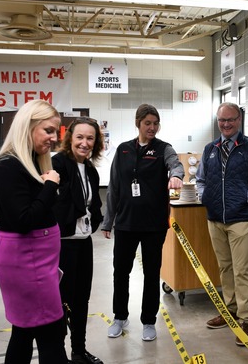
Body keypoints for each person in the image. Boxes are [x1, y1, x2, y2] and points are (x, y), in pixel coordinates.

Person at [0, 99, 69, 364]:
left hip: (37, 260)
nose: (52, 139)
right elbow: (24, 219)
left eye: (55, 132)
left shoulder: (32, 162)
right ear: (28, 126)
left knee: (24, 331)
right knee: (51, 331)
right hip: (27, 262)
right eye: (47, 130)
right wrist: (49, 186)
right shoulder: (8, 166)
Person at [101, 104, 184, 342]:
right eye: (147, 123)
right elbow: (114, 188)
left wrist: (176, 175)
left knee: (151, 273)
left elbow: (175, 164)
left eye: (156, 123)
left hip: (153, 225)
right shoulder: (124, 150)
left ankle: (149, 321)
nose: (152, 127)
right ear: (138, 123)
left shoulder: (163, 149)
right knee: (121, 273)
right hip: (126, 223)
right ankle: (120, 317)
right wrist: (108, 222)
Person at [195, 102, 248, 346]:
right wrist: (203, 195)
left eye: (230, 120)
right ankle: (229, 312)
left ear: (239, 120)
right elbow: (200, 179)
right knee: (225, 268)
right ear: (217, 122)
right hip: (215, 218)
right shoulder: (210, 149)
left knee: (242, 271)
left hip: (241, 219)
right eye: (221, 120)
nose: (226, 124)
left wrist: (245, 197)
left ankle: (246, 320)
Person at [52, 118, 104, 364]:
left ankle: (79, 351)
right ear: (70, 138)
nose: (85, 143)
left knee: (81, 299)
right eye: (80, 137)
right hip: (61, 245)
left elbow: (94, 206)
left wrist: (91, 223)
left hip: (83, 242)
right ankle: (58, 354)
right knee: (61, 302)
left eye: (90, 138)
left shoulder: (91, 170)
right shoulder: (58, 163)